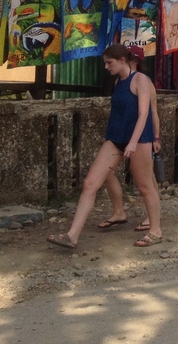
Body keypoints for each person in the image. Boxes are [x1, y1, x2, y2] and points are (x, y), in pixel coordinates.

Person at [48, 43, 164, 249]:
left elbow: (144, 113)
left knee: (145, 187)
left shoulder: (140, 80)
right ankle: (72, 235)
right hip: (115, 138)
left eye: (109, 63)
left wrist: (134, 142)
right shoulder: (119, 82)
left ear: (122, 60)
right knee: (90, 183)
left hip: (139, 141)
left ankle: (155, 230)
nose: (106, 67)